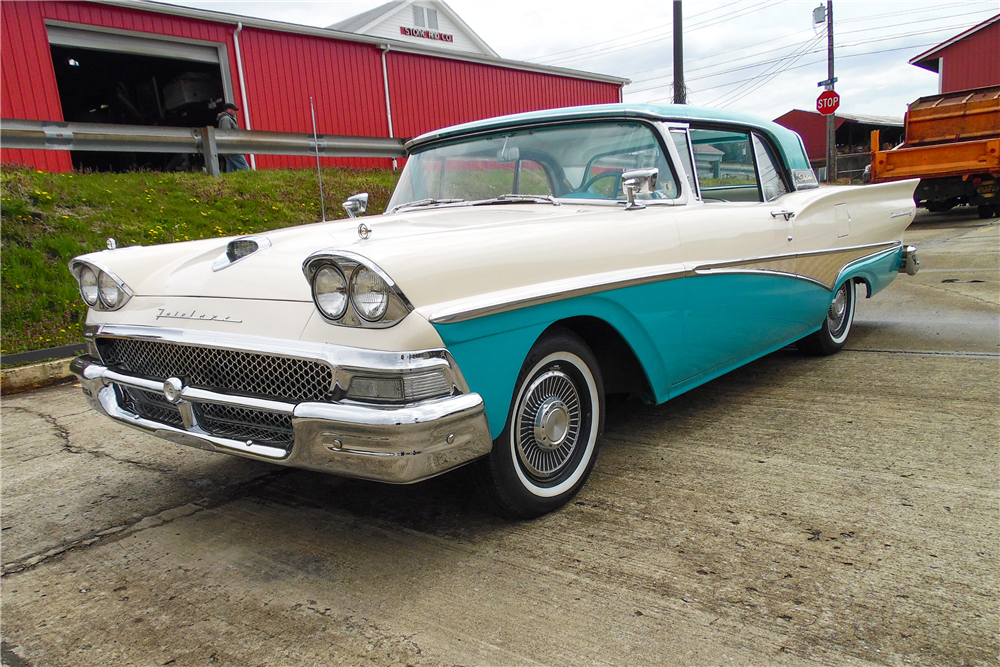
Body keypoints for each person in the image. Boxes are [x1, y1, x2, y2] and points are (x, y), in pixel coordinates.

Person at [215, 102, 249, 172]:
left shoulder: (225, 118)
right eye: (233, 110)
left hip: (228, 148)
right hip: (232, 148)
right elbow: (226, 133)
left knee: (231, 168)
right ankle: (248, 180)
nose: (234, 112)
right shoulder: (226, 119)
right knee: (244, 167)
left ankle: (227, 181)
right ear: (228, 110)